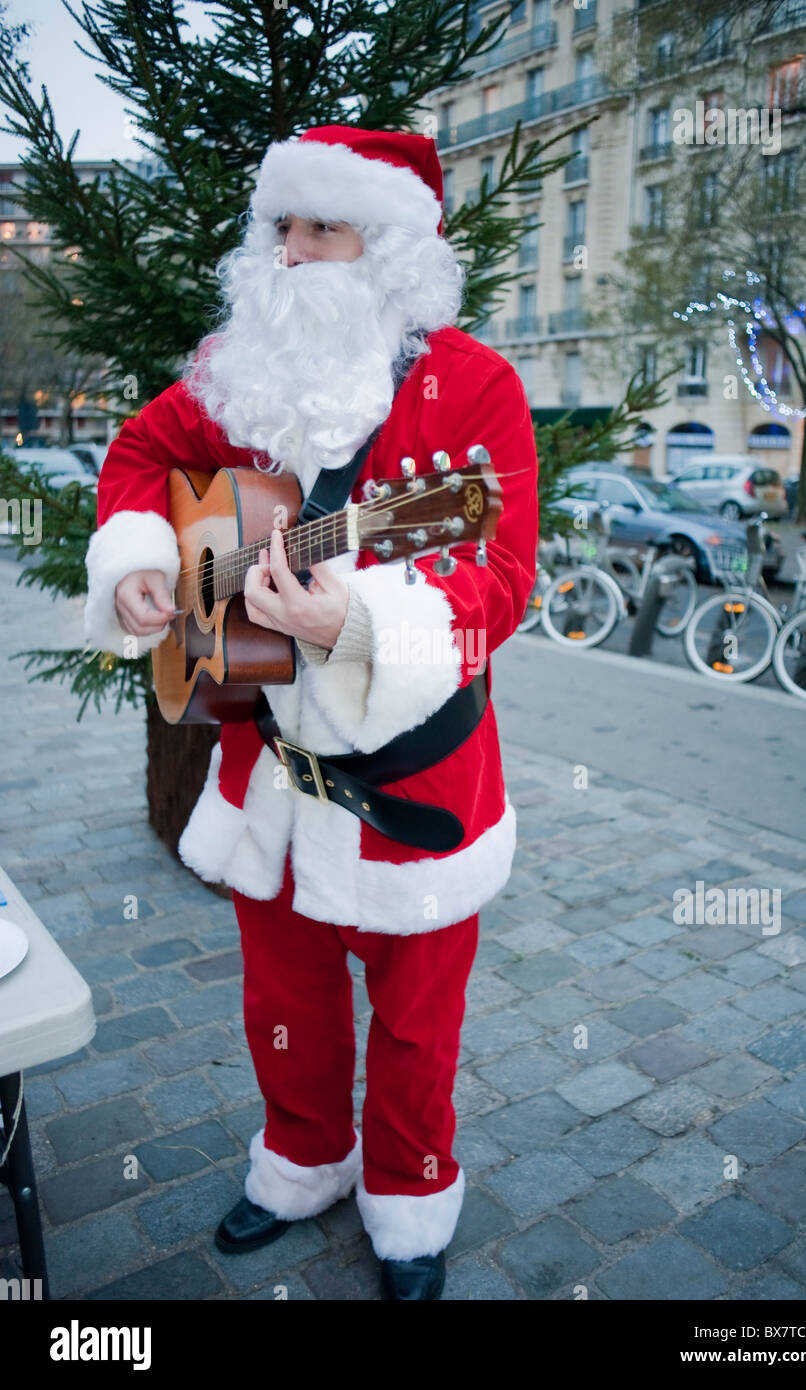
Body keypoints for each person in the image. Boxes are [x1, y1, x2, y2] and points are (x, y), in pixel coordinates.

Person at [83, 125, 538, 1300]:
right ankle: (299, 1160)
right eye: (281, 226)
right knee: (281, 1004)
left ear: (386, 246)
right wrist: (140, 561)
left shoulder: (475, 388)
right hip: (268, 771)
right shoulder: (237, 371)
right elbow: (141, 454)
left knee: (415, 1022)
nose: (288, 253)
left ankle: (409, 1193)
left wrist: (360, 625)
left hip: (415, 790)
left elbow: (499, 575)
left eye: (319, 227)